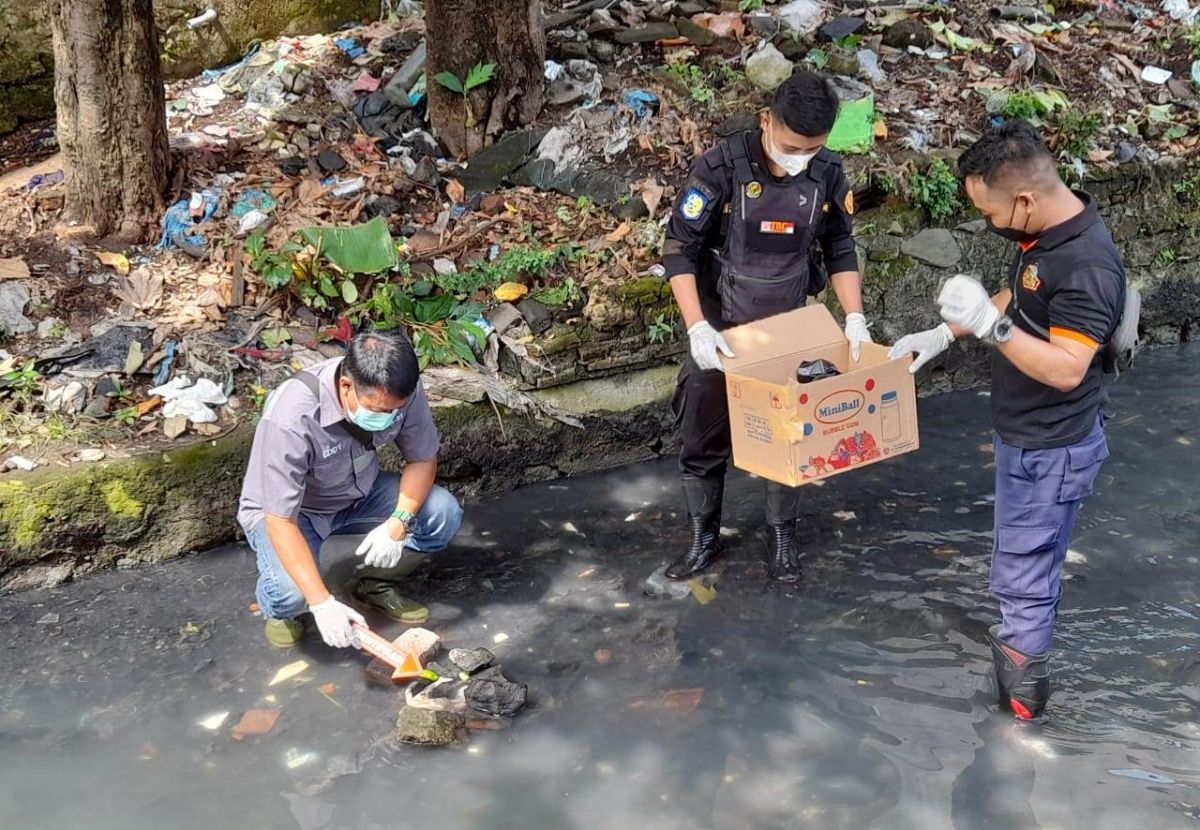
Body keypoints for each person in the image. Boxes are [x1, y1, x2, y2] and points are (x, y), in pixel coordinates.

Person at [889, 119, 1126, 719]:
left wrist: (995, 331)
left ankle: (1023, 721)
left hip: (1051, 451)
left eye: (992, 214)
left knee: (1025, 577)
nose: (990, 225)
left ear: (1025, 199)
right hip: (1028, 440)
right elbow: (1017, 298)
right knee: (1025, 562)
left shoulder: (1087, 265)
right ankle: (1023, 667)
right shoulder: (1045, 240)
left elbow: (1069, 367)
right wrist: (945, 333)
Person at [661, 70, 872, 584]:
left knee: (789, 440)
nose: (800, 156)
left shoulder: (826, 173)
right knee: (702, 437)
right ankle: (703, 538)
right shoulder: (720, 168)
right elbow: (678, 249)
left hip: (790, 329)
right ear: (766, 122)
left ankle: (782, 539)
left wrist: (856, 320)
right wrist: (697, 329)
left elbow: (840, 247)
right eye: (792, 145)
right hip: (722, 331)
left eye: (813, 147)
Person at [237, 331, 464, 649]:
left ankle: (374, 583)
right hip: (294, 512)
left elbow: (423, 459)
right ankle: (280, 610)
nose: (388, 418)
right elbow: (280, 520)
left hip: (359, 492)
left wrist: (397, 524)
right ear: (346, 387)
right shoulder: (290, 418)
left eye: (395, 411)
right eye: (378, 410)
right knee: (292, 594)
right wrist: (321, 603)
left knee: (442, 513)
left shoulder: (400, 391)